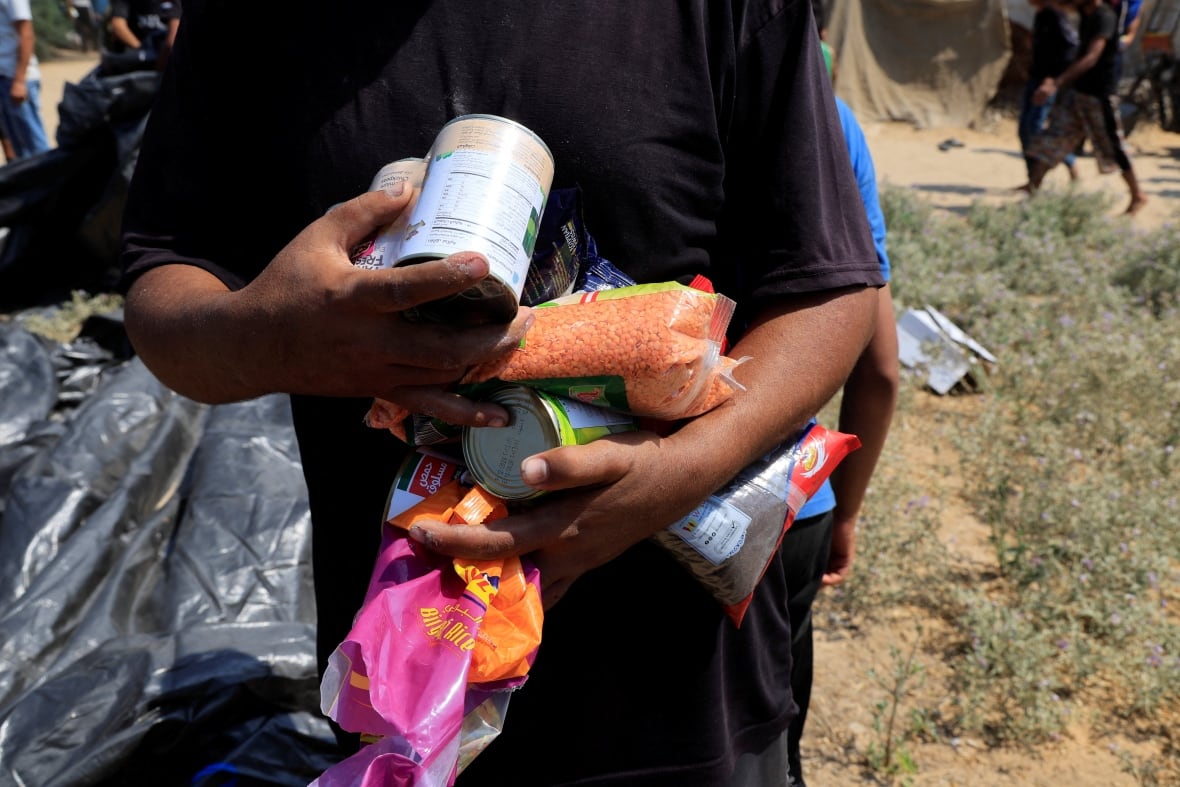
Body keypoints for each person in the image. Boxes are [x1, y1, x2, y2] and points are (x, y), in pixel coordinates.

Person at [119, 4, 883, 785]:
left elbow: (833, 288)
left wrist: (680, 470)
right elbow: (162, 285)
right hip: (407, 682)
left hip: (678, 685)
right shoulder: (248, 21)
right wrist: (274, 336)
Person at [783, 40, 900, 787]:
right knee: (766, 740)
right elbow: (881, 368)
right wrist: (846, 509)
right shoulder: (832, 119)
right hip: (790, 501)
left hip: (606, 501)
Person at [1026, 0, 1148, 214]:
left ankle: (1138, 195)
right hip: (1079, 92)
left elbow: (1091, 57)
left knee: (1114, 146)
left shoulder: (1105, 17)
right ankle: (1033, 192)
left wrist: (1056, 82)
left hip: (1099, 94)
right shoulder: (1085, 11)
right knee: (1053, 138)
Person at [1017, 0, 1080, 188]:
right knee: (1025, 130)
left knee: (1033, 129)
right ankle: (1032, 180)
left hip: (1046, 82)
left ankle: (1068, 162)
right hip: (1035, 79)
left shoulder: (1054, 15)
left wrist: (1052, 79)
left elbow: (1070, 47)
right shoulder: (1041, 15)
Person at [0, 0, 49, 160]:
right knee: (18, 149)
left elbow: (26, 33)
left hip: (15, 78)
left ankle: (49, 183)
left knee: (35, 147)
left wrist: (20, 80)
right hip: (4, 77)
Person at [107, 0, 180, 69]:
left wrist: (163, 60)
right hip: (136, 55)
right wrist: (141, 50)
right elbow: (118, 26)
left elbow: (172, 37)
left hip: (166, 55)